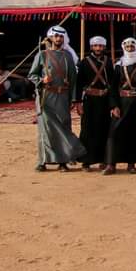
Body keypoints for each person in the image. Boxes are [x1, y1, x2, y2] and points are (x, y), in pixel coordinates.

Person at [28, 26, 86, 172]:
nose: (58, 39)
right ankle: (43, 161)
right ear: (51, 38)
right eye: (56, 36)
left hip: (63, 97)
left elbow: (73, 79)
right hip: (46, 97)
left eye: (61, 36)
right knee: (46, 129)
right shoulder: (42, 55)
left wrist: (74, 99)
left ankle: (63, 161)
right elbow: (32, 75)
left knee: (63, 126)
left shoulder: (68, 56)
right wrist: (42, 80)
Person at [104, 37, 136, 175]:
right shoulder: (119, 65)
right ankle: (111, 164)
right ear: (123, 48)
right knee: (113, 133)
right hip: (121, 103)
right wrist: (114, 105)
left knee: (133, 134)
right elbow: (113, 87)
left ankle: (131, 164)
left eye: (132, 46)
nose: (130, 48)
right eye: (127, 47)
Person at [75, 36, 113, 172]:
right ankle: (86, 161)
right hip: (89, 101)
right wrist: (78, 102)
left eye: (101, 46)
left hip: (104, 100)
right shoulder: (84, 62)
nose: (98, 48)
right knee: (87, 130)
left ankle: (103, 159)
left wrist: (113, 104)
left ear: (104, 47)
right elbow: (79, 83)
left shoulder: (108, 62)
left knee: (104, 130)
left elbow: (112, 83)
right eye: (96, 46)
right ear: (91, 47)